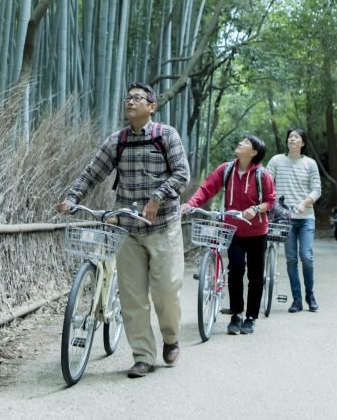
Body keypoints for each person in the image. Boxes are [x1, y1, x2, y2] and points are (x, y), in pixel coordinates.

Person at [56, 83, 190, 379]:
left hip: (163, 225)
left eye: (138, 98)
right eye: (127, 98)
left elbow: (182, 174)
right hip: (128, 226)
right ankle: (143, 356)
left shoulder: (166, 135)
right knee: (132, 297)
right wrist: (73, 198)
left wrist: (157, 197)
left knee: (166, 292)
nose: (130, 102)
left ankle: (170, 337)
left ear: (152, 106)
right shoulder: (117, 141)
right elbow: (92, 173)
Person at [182, 136, 275, 335]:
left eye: (245, 143)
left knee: (256, 276)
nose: (240, 143)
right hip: (233, 230)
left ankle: (250, 318)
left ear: (254, 152)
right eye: (240, 141)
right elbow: (206, 189)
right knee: (235, 270)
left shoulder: (262, 174)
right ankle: (237, 314)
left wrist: (256, 209)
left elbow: (270, 201)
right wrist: (190, 204)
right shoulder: (226, 170)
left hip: (257, 231)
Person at [266, 128, 322, 313]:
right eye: (290, 136)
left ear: (303, 143)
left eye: (296, 137)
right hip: (284, 219)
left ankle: (310, 296)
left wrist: (304, 203)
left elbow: (316, 190)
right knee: (291, 260)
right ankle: (297, 300)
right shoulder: (276, 161)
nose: (292, 139)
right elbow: (265, 181)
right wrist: (271, 202)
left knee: (306, 256)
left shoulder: (310, 164)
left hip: (306, 217)